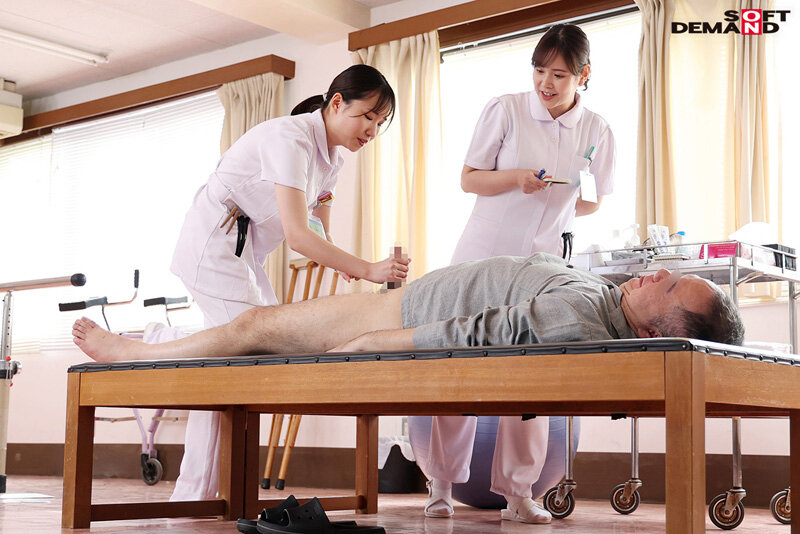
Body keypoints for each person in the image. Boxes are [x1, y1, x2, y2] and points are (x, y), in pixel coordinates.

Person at [167, 64, 411, 502]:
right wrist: (367, 269)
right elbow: (297, 236)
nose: (372, 130)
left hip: (243, 257)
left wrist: (345, 263)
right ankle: (194, 492)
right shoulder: (289, 139)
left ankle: (198, 495)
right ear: (337, 103)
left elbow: (316, 231)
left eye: (380, 122)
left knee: (241, 356)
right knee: (252, 347)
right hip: (212, 247)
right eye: (367, 116)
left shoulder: (332, 159)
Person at [435, 23, 616, 523]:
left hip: (542, 267)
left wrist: (561, 200)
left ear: (583, 75)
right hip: (481, 258)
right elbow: (470, 179)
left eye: (559, 74)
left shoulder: (597, 130)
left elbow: (593, 200)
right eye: (539, 71)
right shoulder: (507, 109)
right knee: (456, 365)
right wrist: (517, 179)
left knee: (530, 374)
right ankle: (441, 483)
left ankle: (518, 493)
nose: (546, 83)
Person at [73, 253, 744, 370]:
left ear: (654, 329)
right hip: (404, 298)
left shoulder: (584, 320)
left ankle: (135, 354)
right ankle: (148, 347)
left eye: (668, 288)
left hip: (399, 311)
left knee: (254, 328)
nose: (658, 274)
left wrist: (376, 341)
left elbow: (481, 332)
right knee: (256, 331)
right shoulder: (606, 298)